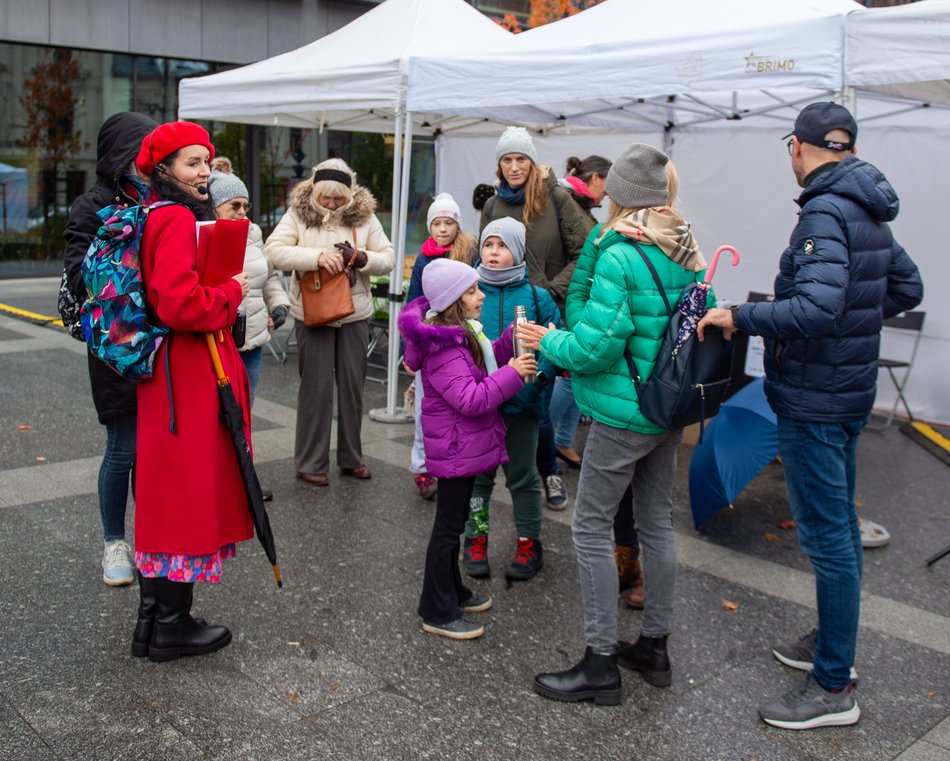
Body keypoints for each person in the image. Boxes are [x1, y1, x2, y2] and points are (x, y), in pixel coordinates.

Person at [697, 102, 923, 730]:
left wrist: (740, 316)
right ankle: (830, 644)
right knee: (839, 529)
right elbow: (906, 288)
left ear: (797, 147)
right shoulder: (868, 206)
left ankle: (834, 685)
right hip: (846, 394)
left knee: (827, 539)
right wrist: (854, 325)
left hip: (816, 401)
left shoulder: (825, 208)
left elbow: (816, 311)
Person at [519, 143, 708, 704]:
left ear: (619, 195)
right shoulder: (687, 246)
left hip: (623, 414)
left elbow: (595, 346)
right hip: (666, 409)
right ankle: (655, 646)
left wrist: (545, 339)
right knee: (656, 523)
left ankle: (600, 661)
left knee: (590, 527)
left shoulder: (623, 253)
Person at [132, 120, 254, 662]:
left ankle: (157, 623)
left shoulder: (154, 213)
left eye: (206, 161)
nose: (204, 171)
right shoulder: (179, 218)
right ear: (164, 170)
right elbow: (178, 303)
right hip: (187, 371)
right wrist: (229, 292)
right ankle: (172, 626)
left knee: (170, 491)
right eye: (191, 163)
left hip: (170, 373)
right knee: (186, 490)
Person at [399, 258, 537, 640]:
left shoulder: (459, 333)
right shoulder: (443, 349)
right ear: (453, 300)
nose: (481, 296)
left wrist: (510, 339)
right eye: (473, 291)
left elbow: (483, 356)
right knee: (446, 529)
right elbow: (472, 398)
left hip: (462, 446)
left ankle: (452, 591)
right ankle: (435, 609)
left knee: (455, 523)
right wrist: (514, 372)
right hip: (457, 450)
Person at [62, 111, 157, 587]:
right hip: (115, 344)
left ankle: (152, 538)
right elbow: (80, 277)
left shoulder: (165, 197)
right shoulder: (92, 204)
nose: (150, 160)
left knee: (157, 449)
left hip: (162, 342)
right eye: (143, 150)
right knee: (122, 446)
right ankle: (113, 543)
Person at [481, 126, 593, 510]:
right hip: (498, 310)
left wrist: (551, 290)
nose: (514, 167)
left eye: (521, 159)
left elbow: (585, 252)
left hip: (541, 310)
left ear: (532, 162)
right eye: (507, 160)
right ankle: (490, 473)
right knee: (496, 398)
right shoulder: (493, 205)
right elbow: (483, 255)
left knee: (536, 401)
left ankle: (548, 473)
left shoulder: (556, 197)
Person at [265, 159, 394, 487]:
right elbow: (274, 251)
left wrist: (362, 257)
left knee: (352, 389)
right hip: (312, 311)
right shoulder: (298, 213)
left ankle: (352, 458)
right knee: (315, 389)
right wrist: (316, 257)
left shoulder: (366, 216)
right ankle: (311, 462)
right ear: (315, 192)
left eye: (339, 198)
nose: (333, 204)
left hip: (355, 312)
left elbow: (388, 259)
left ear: (350, 194)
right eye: (327, 198)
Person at [462, 217, 561, 582]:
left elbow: (555, 339)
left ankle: (529, 543)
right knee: (479, 478)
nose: (492, 253)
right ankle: (475, 538)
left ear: (517, 251)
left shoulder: (538, 297)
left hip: (523, 406)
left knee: (522, 477)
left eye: (501, 246)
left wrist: (541, 378)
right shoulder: (469, 290)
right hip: (479, 406)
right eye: (488, 245)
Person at [405, 193, 476, 500]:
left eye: (449, 222)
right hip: (433, 342)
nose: (443, 229)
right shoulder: (423, 259)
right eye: (437, 222)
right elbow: (414, 304)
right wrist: (411, 345)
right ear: (429, 226)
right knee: (427, 408)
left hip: (464, 338)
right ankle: (422, 467)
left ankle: (456, 460)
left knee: (459, 407)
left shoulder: (468, 252)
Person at [208, 161, 290, 405]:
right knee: (216, 413)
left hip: (252, 338)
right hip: (217, 340)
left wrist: (279, 306)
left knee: (244, 410)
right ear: (214, 206)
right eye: (235, 205)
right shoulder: (203, 235)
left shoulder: (253, 232)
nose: (242, 211)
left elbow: (270, 275)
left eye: (245, 205)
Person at [551, 155, 613, 469]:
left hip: (575, 299)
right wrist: (558, 291)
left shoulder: (579, 203)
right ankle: (544, 435)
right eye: (608, 182)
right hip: (566, 300)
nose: (609, 192)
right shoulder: (567, 199)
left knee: (577, 371)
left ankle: (561, 439)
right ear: (596, 178)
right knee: (570, 370)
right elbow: (576, 258)